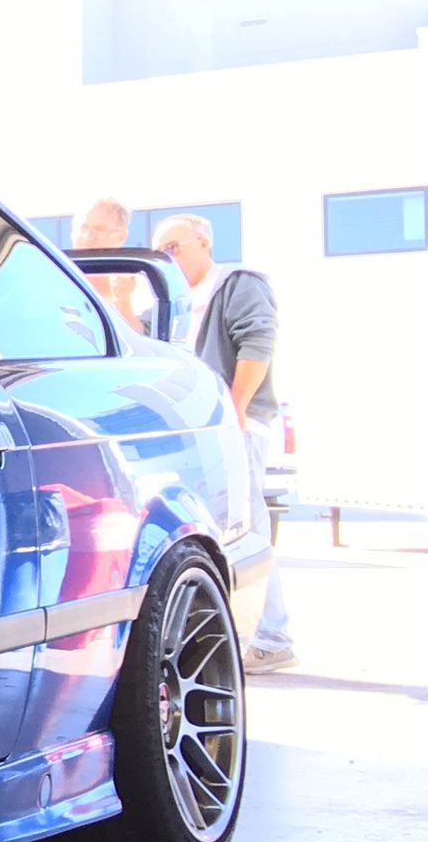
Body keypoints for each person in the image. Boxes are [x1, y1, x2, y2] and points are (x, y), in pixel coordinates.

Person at [152, 212, 294, 670]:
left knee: (246, 526)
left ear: (203, 243)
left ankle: (272, 636)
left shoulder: (236, 284)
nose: (168, 260)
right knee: (222, 528)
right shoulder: (171, 302)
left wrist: (232, 412)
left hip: (236, 424)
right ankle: (248, 631)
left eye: (174, 248)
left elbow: (257, 345)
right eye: (161, 253)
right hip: (202, 431)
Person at [71, 197, 146, 333]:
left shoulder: (142, 287)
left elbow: (144, 342)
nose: (88, 236)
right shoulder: (55, 277)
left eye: (100, 230)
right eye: (83, 228)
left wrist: (123, 301)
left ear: (121, 237)